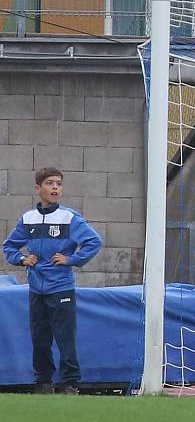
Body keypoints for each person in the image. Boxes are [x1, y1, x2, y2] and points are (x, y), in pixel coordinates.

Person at [3, 167, 102, 395]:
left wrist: (71, 259)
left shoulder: (69, 217)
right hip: (36, 288)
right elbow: (9, 246)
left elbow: (94, 242)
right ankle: (43, 382)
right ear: (38, 189)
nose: (55, 187)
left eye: (58, 183)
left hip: (61, 288)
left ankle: (69, 384)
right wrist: (22, 259)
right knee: (40, 338)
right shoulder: (28, 218)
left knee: (65, 338)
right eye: (50, 183)